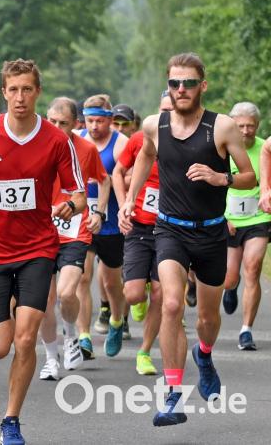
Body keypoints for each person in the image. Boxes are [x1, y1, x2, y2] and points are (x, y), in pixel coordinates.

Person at [0, 59, 85, 445]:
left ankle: (11, 420)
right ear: (3, 93)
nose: (20, 97)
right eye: (13, 90)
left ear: (37, 92)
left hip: (37, 249)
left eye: (27, 89)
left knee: (25, 340)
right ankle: (8, 308)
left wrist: (70, 207)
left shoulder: (57, 141)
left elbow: (78, 195)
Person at [123, 52, 255, 426]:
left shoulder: (222, 127)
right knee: (169, 303)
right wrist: (130, 199)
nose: (181, 90)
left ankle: (206, 355)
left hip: (211, 231)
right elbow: (145, 158)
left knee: (208, 319)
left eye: (189, 83)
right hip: (169, 230)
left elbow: (249, 177)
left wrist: (220, 178)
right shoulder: (154, 125)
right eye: (174, 83)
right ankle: (172, 396)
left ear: (203, 86)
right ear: (167, 86)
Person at [38, 98, 107, 381]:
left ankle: (71, 337)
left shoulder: (86, 149)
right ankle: (51, 359)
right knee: (44, 300)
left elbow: (104, 180)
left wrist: (99, 212)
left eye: (62, 123)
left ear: (76, 125)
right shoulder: (34, 146)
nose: (55, 127)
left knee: (67, 292)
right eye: (51, 121)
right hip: (40, 232)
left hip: (74, 231)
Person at [115, 91, 173, 376]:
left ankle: (144, 352)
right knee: (135, 294)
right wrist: (124, 203)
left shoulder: (191, 143)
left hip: (170, 229)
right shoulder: (141, 139)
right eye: (163, 109)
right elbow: (118, 172)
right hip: (139, 225)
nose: (167, 115)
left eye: (172, 110)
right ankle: (117, 318)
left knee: (161, 294)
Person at [79, 94, 129, 358]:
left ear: (110, 120)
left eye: (99, 121)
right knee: (83, 278)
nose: (94, 126)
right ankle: (84, 336)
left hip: (111, 225)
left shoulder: (121, 144)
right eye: (90, 120)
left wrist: (111, 180)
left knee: (111, 284)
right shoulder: (77, 141)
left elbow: (131, 179)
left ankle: (117, 321)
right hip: (84, 221)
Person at [222, 102, 267, 351]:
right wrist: (222, 216)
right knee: (229, 278)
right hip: (230, 219)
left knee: (253, 267)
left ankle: (246, 330)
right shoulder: (224, 149)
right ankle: (231, 287)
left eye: (250, 125)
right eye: (241, 126)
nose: (246, 131)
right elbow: (212, 185)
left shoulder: (265, 149)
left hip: (258, 218)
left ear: (257, 126)